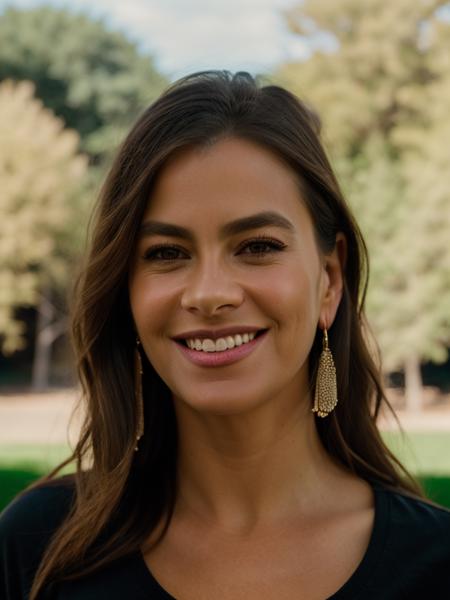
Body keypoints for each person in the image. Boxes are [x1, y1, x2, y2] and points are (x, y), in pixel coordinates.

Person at [1, 70, 449, 600]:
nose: (209, 294)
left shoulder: (436, 564)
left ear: (329, 281)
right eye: (166, 253)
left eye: (257, 246)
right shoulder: (37, 548)